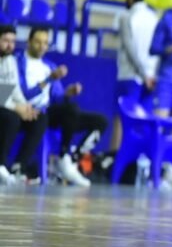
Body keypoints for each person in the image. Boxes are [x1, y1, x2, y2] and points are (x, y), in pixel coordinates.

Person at [17, 27, 108, 187]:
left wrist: (67, 93)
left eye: (45, 43)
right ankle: (63, 158)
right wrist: (49, 80)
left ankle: (70, 159)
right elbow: (22, 95)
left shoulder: (49, 65)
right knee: (70, 110)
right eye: (38, 42)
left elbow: (57, 99)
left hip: (50, 112)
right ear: (29, 42)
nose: (42, 46)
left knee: (100, 121)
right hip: (29, 110)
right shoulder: (18, 62)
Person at [113, 0, 158, 150]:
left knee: (121, 119)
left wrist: (143, 73)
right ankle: (138, 159)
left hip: (130, 75)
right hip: (150, 78)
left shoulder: (126, 16)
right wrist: (150, 75)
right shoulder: (154, 17)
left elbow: (129, 48)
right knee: (143, 122)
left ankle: (115, 158)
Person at [0, 25, 42, 185]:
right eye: (5, 41)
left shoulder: (10, 60)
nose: (9, 45)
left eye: (13, 41)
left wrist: (26, 107)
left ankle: (19, 167)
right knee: (11, 118)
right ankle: (1, 164)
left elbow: (15, 89)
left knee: (39, 119)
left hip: (5, 105)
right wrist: (16, 108)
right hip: (4, 108)